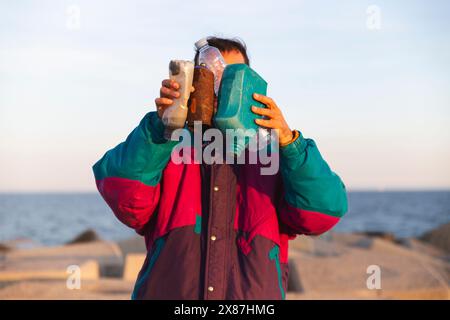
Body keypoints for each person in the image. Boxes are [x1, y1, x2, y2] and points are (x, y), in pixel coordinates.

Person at [93, 36, 348, 300]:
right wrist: (160, 127)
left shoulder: (275, 154)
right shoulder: (167, 144)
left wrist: (290, 143)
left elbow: (322, 213)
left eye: (231, 79)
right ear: (193, 82)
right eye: (211, 78)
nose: (221, 90)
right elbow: (126, 198)